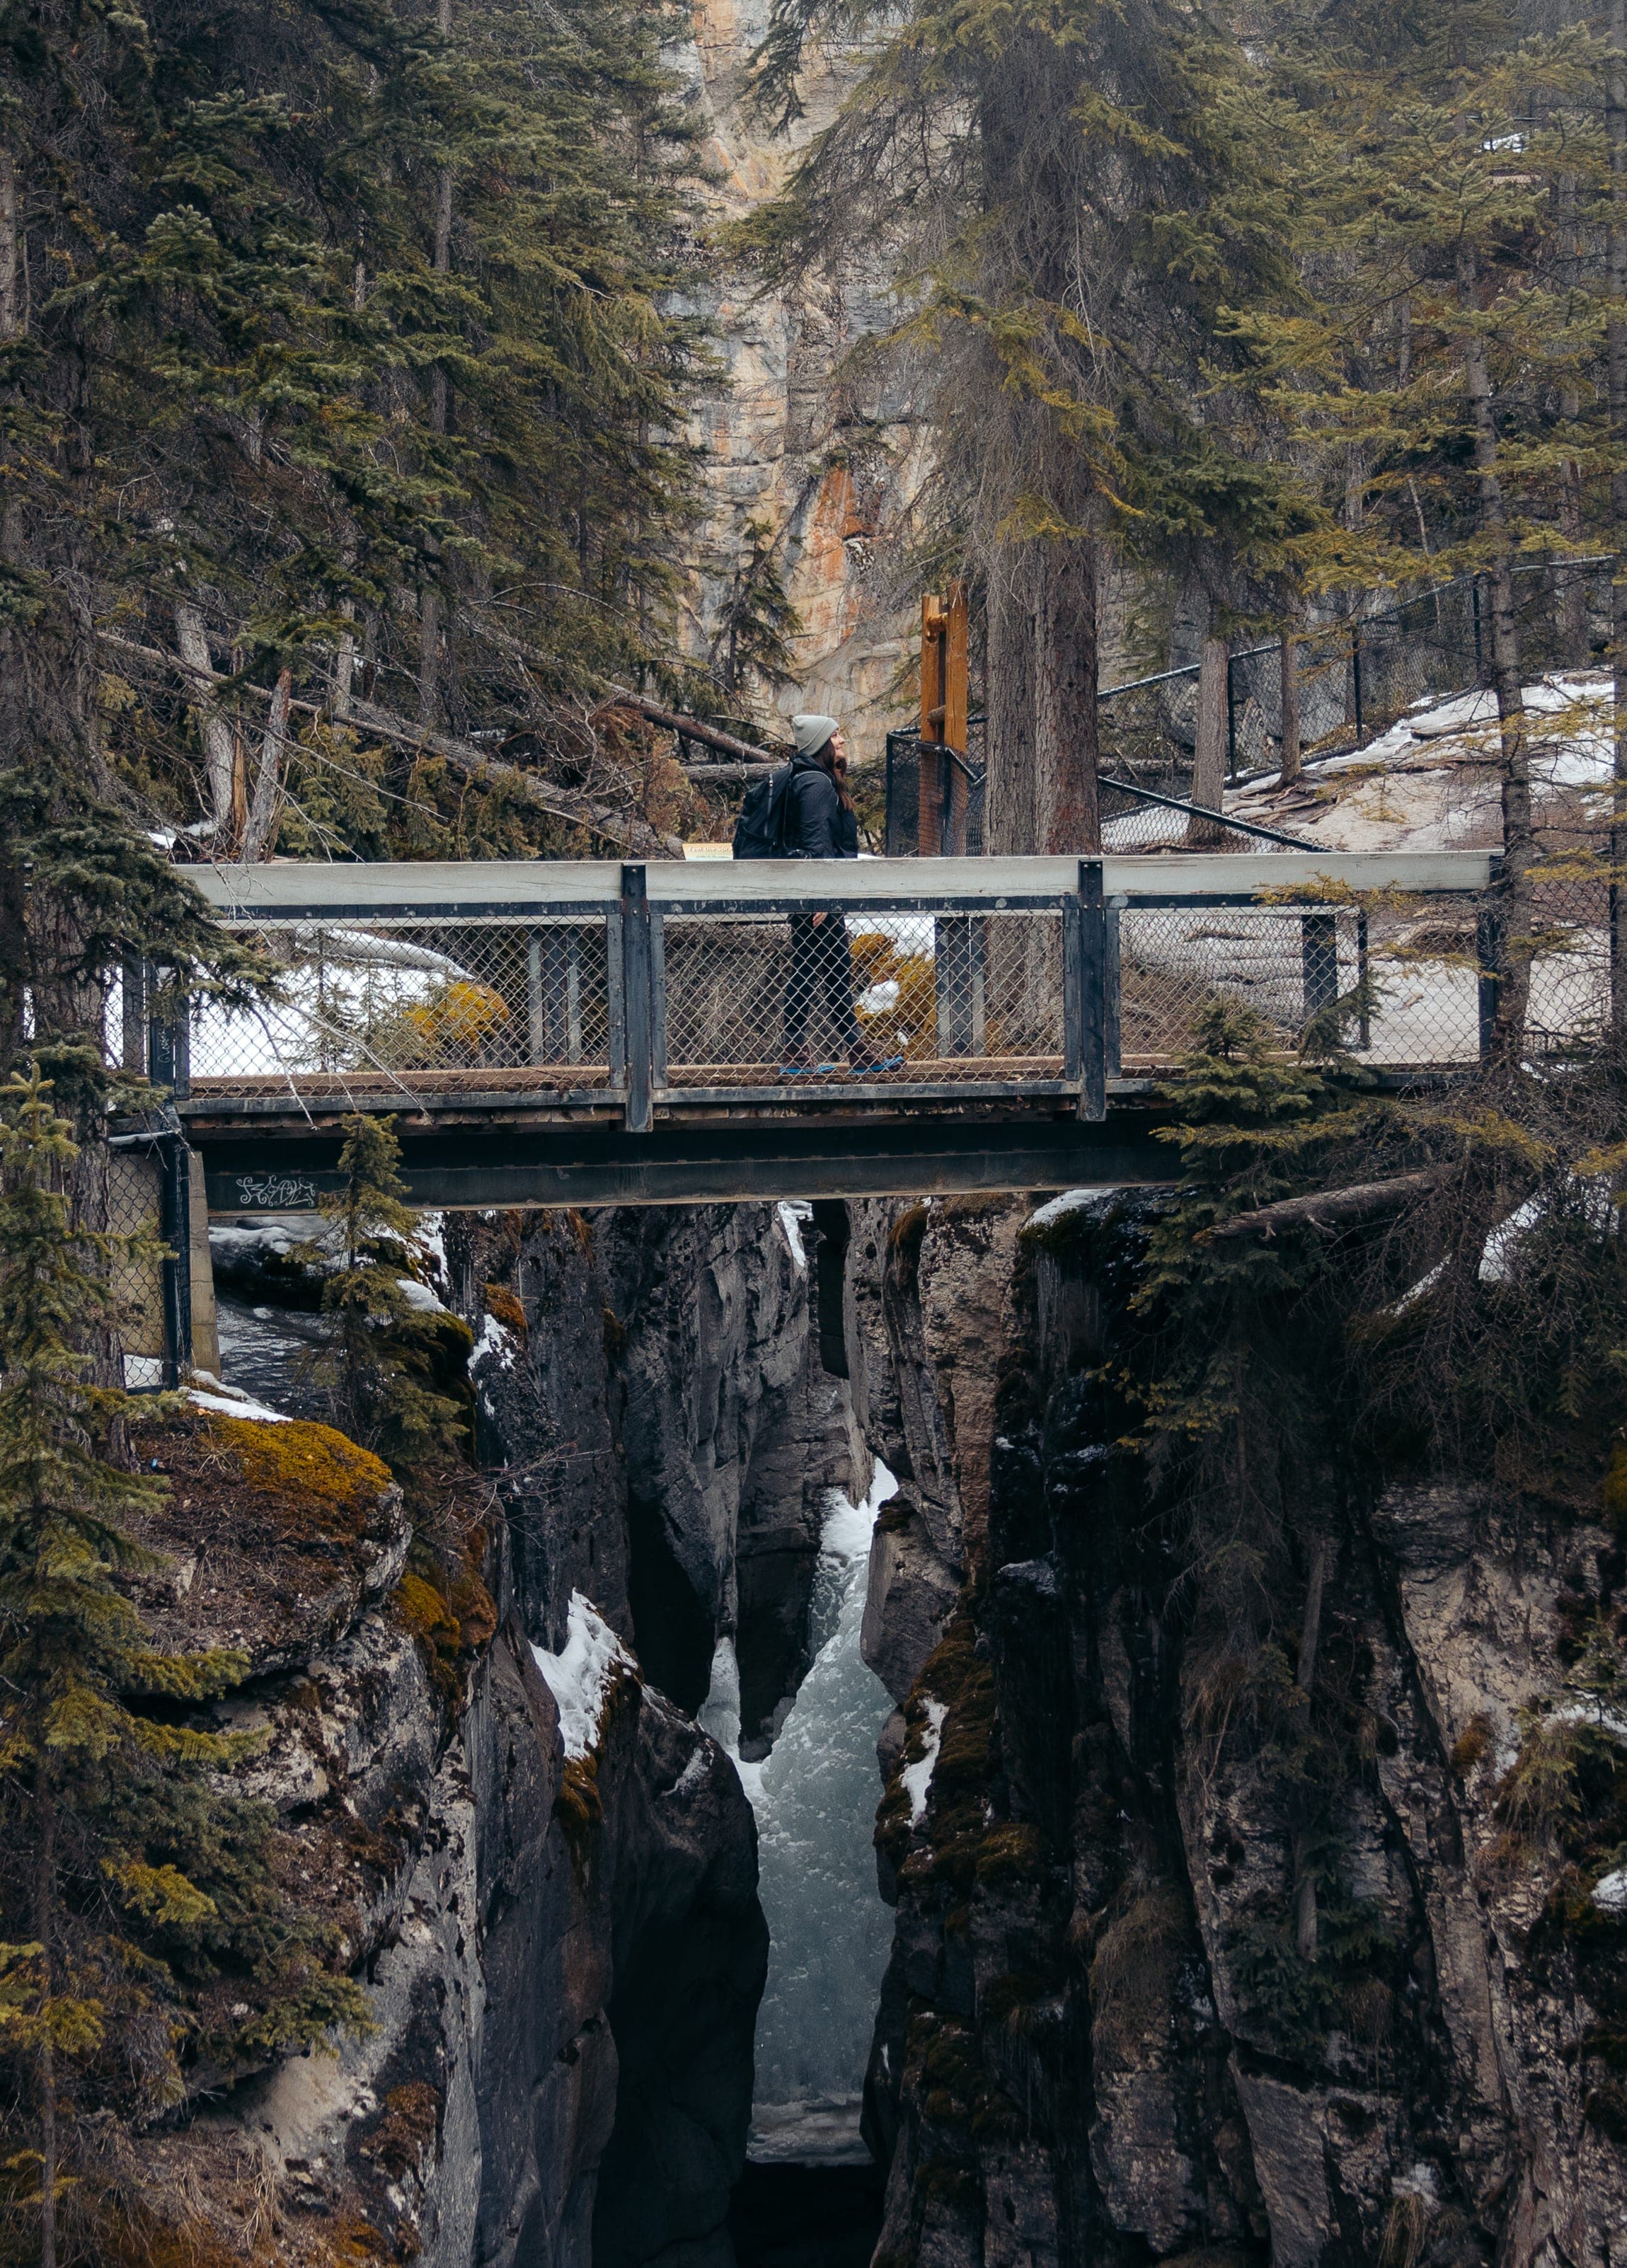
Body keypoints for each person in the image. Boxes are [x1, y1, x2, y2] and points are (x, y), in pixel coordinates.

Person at [781, 713, 875, 1073]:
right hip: (818, 895)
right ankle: (799, 1053)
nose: (842, 741)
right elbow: (816, 839)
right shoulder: (817, 784)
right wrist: (820, 896)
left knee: (829, 970)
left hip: (817, 891)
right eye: (835, 736)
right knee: (815, 970)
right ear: (820, 744)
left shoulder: (814, 780)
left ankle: (855, 1052)